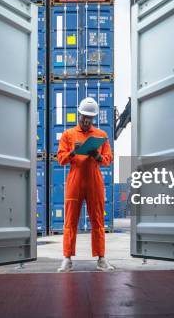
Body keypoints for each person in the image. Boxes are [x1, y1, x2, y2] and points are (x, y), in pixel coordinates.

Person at [56, 97, 115, 272]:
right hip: (75, 181)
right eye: (83, 117)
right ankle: (67, 259)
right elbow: (61, 159)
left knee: (98, 222)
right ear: (79, 114)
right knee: (70, 222)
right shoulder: (68, 135)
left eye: (89, 118)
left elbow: (108, 159)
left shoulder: (101, 135)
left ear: (94, 118)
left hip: (94, 182)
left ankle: (101, 259)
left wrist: (98, 157)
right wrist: (74, 152)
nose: (86, 121)